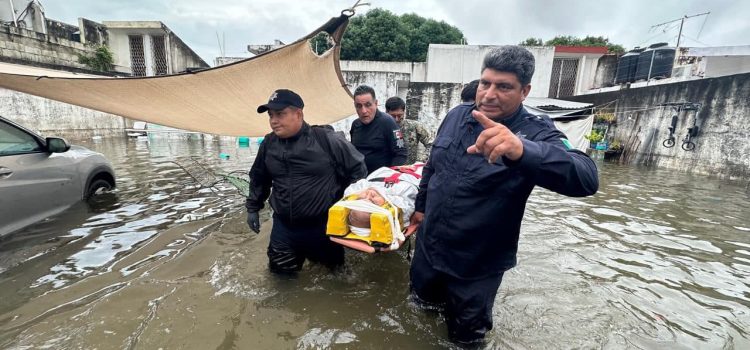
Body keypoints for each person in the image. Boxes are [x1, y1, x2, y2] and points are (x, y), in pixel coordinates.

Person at [409, 46, 599, 345]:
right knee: (420, 313)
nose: (488, 94)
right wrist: (420, 209)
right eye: (485, 83)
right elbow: (433, 167)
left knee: (465, 340)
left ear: (525, 91)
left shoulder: (535, 133)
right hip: (429, 250)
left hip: (476, 265)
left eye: (504, 87)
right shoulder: (457, 115)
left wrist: (523, 151)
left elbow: (586, 177)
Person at [245, 89, 367, 274]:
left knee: (334, 279)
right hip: (283, 228)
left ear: (298, 114)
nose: (273, 121)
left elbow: (358, 170)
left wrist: (350, 209)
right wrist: (253, 208)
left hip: (322, 228)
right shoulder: (269, 144)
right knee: (279, 283)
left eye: (280, 114)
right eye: (270, 115)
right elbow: (259, 177)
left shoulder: (326, 139)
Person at [350, 85, 408, 174]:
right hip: (360, 182)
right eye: (359, 106)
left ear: (376, 104)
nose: (364, 110)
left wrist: (389, 176)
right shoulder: (355, 125)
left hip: (381, 182)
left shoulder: (388, 122)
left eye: (368, 105)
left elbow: (401, 152)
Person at [385, 97, 433, 164]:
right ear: (386, 112)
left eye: (399, 115)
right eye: (393, 116)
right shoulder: (380, 128)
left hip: (409, 171)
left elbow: (432, 144)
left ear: (404, 112)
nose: (396, 119)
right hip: (386, 171)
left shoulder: (415, 126)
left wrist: (424, 158)